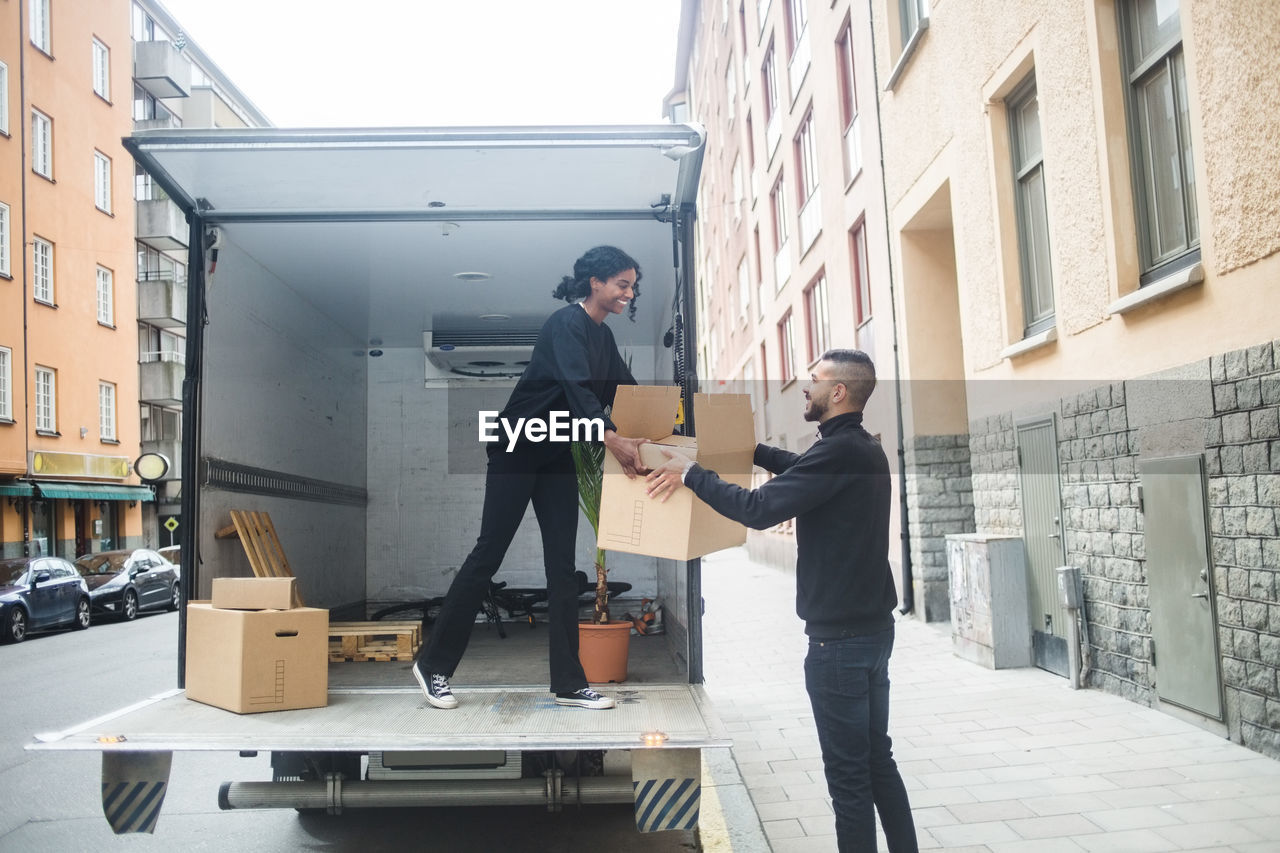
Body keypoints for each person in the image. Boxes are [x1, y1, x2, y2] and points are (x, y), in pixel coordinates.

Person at [646, 349, 918, 852]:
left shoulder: (840, 453)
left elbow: (758, 509)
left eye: (813, 380)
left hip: (838, 644)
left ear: (838, 392)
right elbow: (801, 468)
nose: (805, 387)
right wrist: (752, 450)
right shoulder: (860, 448)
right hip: (872, 633)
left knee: (849, 779)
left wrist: (690, 474)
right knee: (877, 760)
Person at [414, 246, 649, 711]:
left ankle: (568, 683)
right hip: (518, 447)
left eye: (633, 286)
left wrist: (667, 429)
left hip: (557, 450)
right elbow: (577, 388)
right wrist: (612, 440)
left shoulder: (602, 338)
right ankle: (433, 665)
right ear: (595, 283)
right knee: (489, 553)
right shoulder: (566, 324)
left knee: (562, 567)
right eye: (622, 284)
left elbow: (626, 393)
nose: (629, 293)